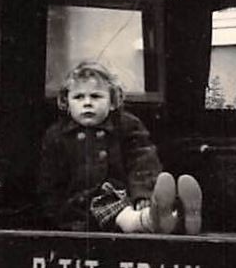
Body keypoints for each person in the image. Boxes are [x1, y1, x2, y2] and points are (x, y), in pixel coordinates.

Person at [38, 60, 201, 235]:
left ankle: (180, 218)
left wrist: (143, 193)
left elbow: (143, 161)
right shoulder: (57, 135)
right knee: (114, 208)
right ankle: (152, 220)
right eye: (78, 97)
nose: (87, 103)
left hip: (127, 197)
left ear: (112, 101)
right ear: (67, 103)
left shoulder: (126, 125)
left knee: (140, 205)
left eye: (95, 96)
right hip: (81, 208)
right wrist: (55, 213)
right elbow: (49, 179)